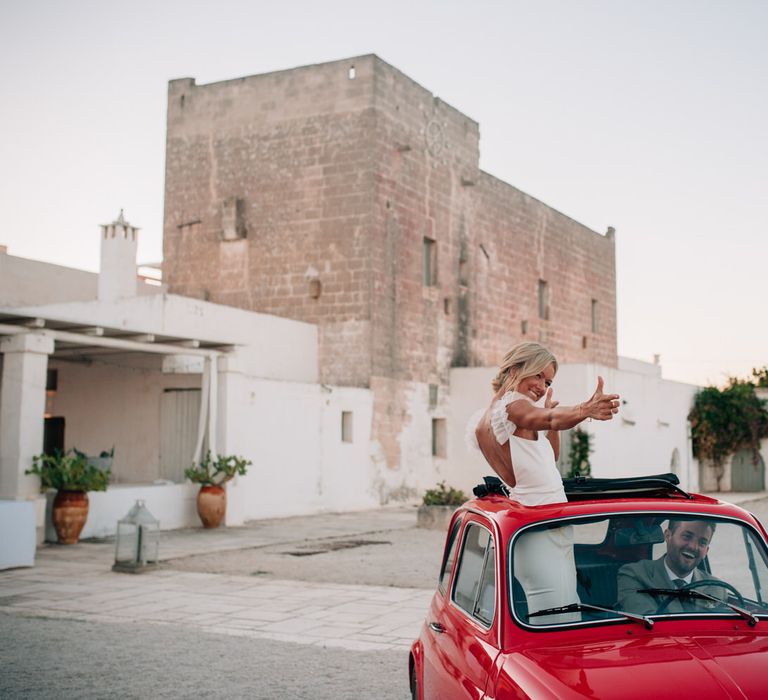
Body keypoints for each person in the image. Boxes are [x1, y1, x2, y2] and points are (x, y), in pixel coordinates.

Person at [467, 341, 620, 622]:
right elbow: (548, 417)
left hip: (548, 525)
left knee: (560, 610)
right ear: (516, 367)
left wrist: (551, 426)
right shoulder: (512, 406)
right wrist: (585, 409)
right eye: (538, 375)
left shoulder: (495, 416)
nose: (542, 386)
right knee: (559, 618)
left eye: (547, 381)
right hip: (539, 527)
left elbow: (549, 459)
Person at [617, 519, 725, 615]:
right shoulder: (635, 575)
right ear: (668, 536)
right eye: (687, 536)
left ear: (706, 551)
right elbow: (650, 625)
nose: (693, 547)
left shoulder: (717, 589)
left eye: (702, 542)